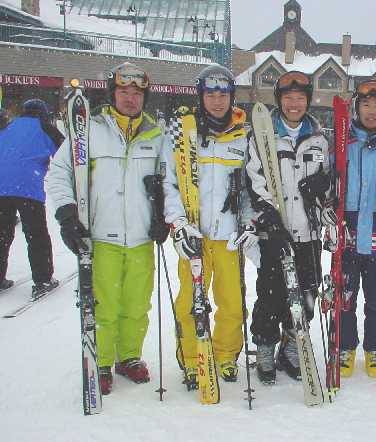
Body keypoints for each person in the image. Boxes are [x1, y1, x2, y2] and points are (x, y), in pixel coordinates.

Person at [47, 62, 168, 395]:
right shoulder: (89, 130)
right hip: (102, 236)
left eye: (137, 93)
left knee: (137, 304)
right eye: (123, 91)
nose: (130, 98)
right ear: (112, 94)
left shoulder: (156, 135)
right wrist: (67, 214)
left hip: (141, 238)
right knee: (103, 304)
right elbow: (59, 174)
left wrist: (163, 217)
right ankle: (100, 361)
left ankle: (128, 356)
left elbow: (168, 182)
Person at [162, 64, 253, 385]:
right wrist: (178, 223)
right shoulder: (182, 132)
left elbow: (249, 189)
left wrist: (248, 222)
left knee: (232, 302)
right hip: (194, 235)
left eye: (223, 94)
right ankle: (192, 358)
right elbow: (170, 184)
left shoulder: (243, 136)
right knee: (190, 301)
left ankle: (225, 355)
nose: (217, 100)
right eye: (210, 94)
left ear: (231, 96)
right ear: (201, 96)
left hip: (228, 237)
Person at [322, 79, 376, 379]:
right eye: (365, 105)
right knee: (344, 295)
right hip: (346, 231)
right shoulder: (340, 144)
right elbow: (327, 184)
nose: (371, 111)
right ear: (356, 108)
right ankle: (344, 346)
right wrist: (327, 208)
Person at [245, 71, 330, 384]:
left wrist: (322, 186)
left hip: (308, 233)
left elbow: (329, 182)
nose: (294, 104)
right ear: (279, 100)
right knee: (271, 296)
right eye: (288, 98)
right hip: (274, 232)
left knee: (306, 295)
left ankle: (293, 347)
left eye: (300, 98)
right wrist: (269, 216)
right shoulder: (262, 135)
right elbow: (255, 180)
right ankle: (265, 347)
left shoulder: (319, 140)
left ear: (308, 100)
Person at [0, 99, 63, 296]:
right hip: (28, 186)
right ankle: (43, 280)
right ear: (43, 113)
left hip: (1, 186)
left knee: (2, 234)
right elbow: (66, 155)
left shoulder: (8, 126)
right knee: (36, 234)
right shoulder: (45, 127)